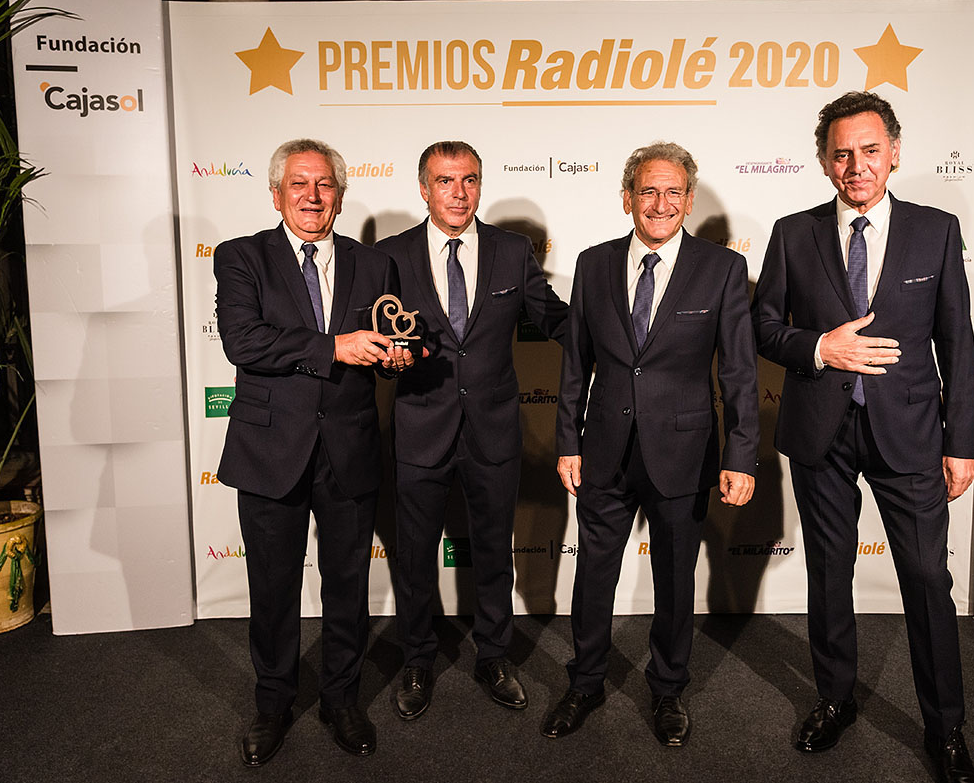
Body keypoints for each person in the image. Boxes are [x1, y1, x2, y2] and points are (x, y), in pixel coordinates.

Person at [750, 91, 974, 783]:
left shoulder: (935, 230)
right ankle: (835, 698)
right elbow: (762, 327)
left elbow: (957, 345)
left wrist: (962, 441)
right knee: (829, 571)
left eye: (870, 150)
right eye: (842, 153)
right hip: (820, 430)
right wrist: (821, 346)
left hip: (909, 432)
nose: (857, 165)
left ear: (895, 153)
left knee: (926, 579)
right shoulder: (793, 233)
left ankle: (945, 728)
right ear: (825, 161)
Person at [544, 142, 758, 747]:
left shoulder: (722, 269)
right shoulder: (593, 264)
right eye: (647, 191)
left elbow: (739, 372)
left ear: (688, 202)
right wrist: (568, 441)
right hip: (604, 448)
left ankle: (668, 689)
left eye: (673, 193)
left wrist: (741, 455)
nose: (660, 204)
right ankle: (585, 682)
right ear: (627, 198)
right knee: (594, 576)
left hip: (684, 452)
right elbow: (575, 363)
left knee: (675, 579)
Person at [215, 138, 411, 767]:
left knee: (347, 587)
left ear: (340, 196)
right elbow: (244, 342)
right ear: (277, 195)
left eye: (324, 184)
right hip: (270, 449)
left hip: (349, 447)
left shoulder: (373, 264)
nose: (312, 196)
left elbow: (384, 342)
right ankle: (272, 706)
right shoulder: (241, 256)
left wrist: (393, 357)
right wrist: (334, 347)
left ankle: (340, 701)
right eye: (298, 184)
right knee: (272, 588)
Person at [375, 140, 568, 720]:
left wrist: (616, 330)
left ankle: (494, 656)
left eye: (470, 180)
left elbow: (551, 316)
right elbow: (373, 334)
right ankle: (416, 658)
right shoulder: (391, 254)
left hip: (494, 428)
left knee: (493, 550)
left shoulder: (512, 250)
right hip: (419, 427)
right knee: (414, 556)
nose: (458, 193)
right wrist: (387, 358)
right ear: (423, 187)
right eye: (445, 181)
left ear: (480, 184)